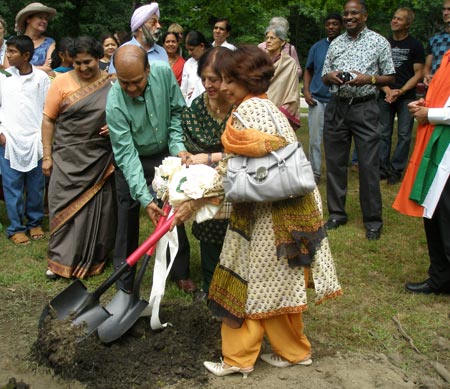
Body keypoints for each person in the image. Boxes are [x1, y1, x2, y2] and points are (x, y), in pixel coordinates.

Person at [172, 45, 342, 378]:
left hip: (271, 217)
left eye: (228, 81)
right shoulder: (267, 107)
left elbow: (234, 171)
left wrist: (192, 202)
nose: (222, 87)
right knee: (278, 281)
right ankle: (295, 352)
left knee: (245, 280)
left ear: (245, 81)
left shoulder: (247, 111)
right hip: (288, 208)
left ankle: (238, 359)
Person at [106, 45, 196, 293]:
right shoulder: (114, 102)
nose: (132, 89)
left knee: (172, 212)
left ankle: (180, 271)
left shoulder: (164, 74)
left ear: (148, 69)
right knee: (127, 216)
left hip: (164, 154)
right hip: (132, 157)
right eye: (125, 84)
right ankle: (124, 280)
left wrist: (177, 146)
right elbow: (125, 153)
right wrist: (145, 198)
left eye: (136, 82)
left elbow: (177, 111)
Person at [41, 36, 116, 279]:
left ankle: (93, 259)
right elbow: (48, 119)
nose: (83, 68)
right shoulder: (60, 82)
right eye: (77, 63)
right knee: (61, 204)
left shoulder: (111, 83)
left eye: (88, 62)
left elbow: (123, 115)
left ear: (98, 59)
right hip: (67, 155)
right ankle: (59, 261)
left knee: (97, 209)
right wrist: (47, 156)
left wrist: (113, 125)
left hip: (99, 157)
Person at [321, 0, 395, 241]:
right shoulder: (336, 43)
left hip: (365, 108)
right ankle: (336, 214)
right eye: (346, 14)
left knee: (368, 165)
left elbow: (390, 76)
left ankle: (373, 220)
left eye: (354, 13)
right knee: (335, 163)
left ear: (364, 15)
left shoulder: (379, 41)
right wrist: (330, 76)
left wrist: (369, 80)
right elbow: (323, 75)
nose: (349, 17)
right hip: (337, 108)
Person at [393, 49, 450, 295]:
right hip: (437, 147)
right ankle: (439, 278)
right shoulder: (447, 57)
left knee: (446, 216)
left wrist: (432, 114)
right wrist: (424, 105)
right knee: (434, 213)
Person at [182, 46, 233, 294]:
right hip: (206, 183)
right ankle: (210, 285)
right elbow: (187, 139)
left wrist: (211, 157)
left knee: (236, 236)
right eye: (203, 79)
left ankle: (234, 286)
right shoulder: (199, 107)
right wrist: (192, 158)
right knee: (209, 232)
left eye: (214, 79)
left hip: (237, 179)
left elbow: (250, 152)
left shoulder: (241, 106)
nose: (208, 85)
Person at [0, 35, 49, 245]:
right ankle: (16, 227)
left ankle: (35, 222)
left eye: (12, 52)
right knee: (12, 186)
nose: (8, 55)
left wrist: (45, 137)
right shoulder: (3, 77)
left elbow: (48, 108)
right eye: (7, 51)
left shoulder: (41, 78)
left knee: (36, 185)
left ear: (26, 55)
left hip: (35, 139)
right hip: (9, 139)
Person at [378, 8, 425, 185]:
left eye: (399, 19)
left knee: (404, 134)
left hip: (406, 97)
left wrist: (401, 91)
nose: (394, 21)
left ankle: (396, 170)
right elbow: (377, 71)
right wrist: (388, 91)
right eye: (394, 17)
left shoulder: (415, 45)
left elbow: (418, 73)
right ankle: (381, 169)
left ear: (408, 24)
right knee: (383, 133)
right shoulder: (384, 43)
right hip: (385, 95)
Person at [303, 13, 343, 183]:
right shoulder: (317, 47)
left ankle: (336, 172)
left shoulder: (346, 46)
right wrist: (306, 91)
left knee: (337, 139)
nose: (331, 27)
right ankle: (315, 172)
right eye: (328, 24)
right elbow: (308, 70)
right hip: (318, 99)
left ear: (340, 25)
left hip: (338, 99)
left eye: (335, 24)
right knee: (315, 140)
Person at [108, 2, 167, 74]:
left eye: (158, 22)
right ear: (139, 27)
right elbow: (113, 83)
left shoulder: (162, 52)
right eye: (153, 22)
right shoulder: (121, 53)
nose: (158, 26)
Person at [263, 24, 300, 129]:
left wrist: (281, 113)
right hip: (260, 110)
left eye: (272, 38)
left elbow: (292, 91)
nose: (268, 41)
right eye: (267, 38)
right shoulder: (260, 60)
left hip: (278, 110)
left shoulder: (289, 63)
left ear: (282, 42)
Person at [15, 2, 56, 74]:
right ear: (28, 19)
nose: (44, 21)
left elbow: (49, 69)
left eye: (46, 19)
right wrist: (41, 68)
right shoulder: (15, 42)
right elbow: (8, 68)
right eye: (40, 17)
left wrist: (21, 67)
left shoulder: (49, 43)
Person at [423, 0, 450, 86]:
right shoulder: (435, 38)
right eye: (444, 9)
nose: (445, 13)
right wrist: (426, 76)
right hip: (436, 87)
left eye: (449, 9)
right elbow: (427, 68)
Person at [181, 31, 211, 106]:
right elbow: (183, 90)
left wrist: (197, 92)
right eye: (187, 50)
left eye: (192, 49)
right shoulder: (188, 64)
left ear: (202, 46)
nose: (189, 53)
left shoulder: (213, 61)